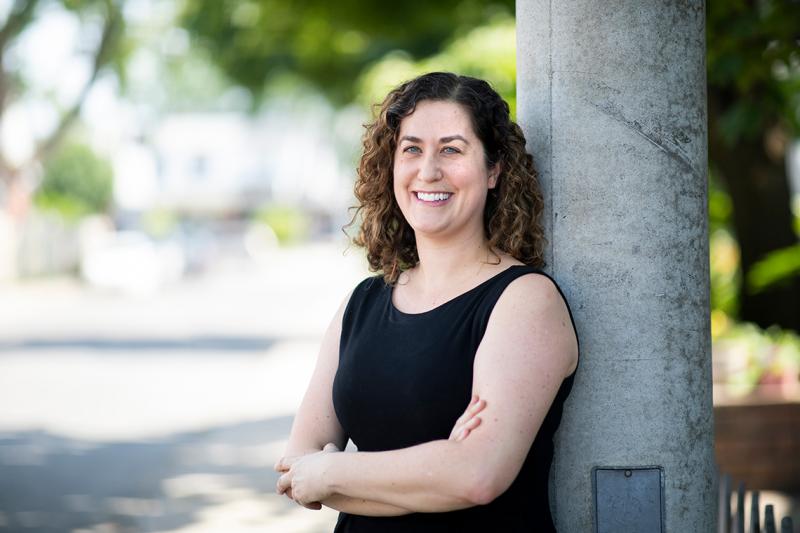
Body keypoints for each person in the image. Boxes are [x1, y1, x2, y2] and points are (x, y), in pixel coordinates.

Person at [275, 71, 580, 532]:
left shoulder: (525, 301)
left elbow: (477, 477)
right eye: (412, 149)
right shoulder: (363, 303)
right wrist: (439, 470)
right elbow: (296, 471)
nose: (428, 170)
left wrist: (333, 473)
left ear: (494, 169)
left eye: (452, 150)